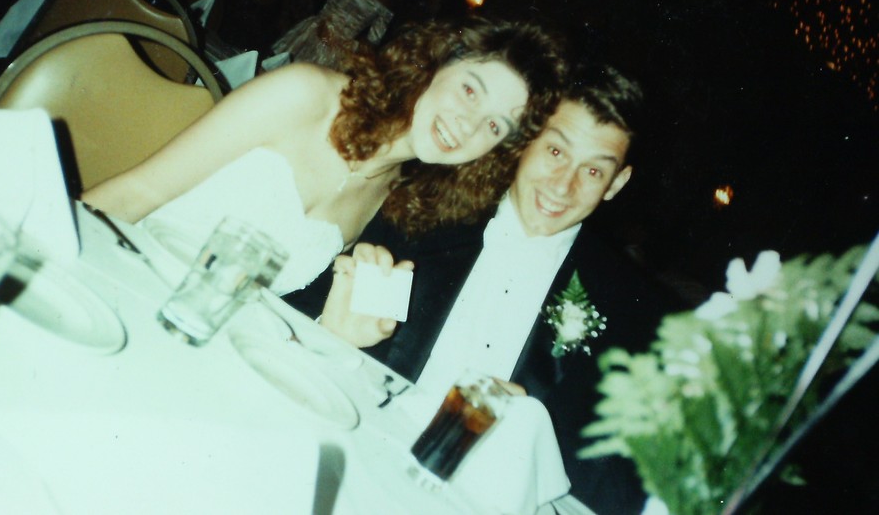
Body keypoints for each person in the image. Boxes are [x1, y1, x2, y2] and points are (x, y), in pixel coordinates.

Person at [289, 64, 679, 512]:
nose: (563, 185)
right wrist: (331, 327)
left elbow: (619, 486)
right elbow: (293, 310)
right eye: (555, 151)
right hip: (341, 458)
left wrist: (532, 434)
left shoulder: (637, 312)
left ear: (616, 184)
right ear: (526, 141)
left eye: (593, 171)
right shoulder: (420, 207)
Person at [82, 18, 567, 295]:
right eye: (470, 90)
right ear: (435, 63)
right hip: (108, 277)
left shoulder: (389, 196)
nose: (469, 124)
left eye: (495, 126)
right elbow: (137, 191)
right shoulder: (305, 95)